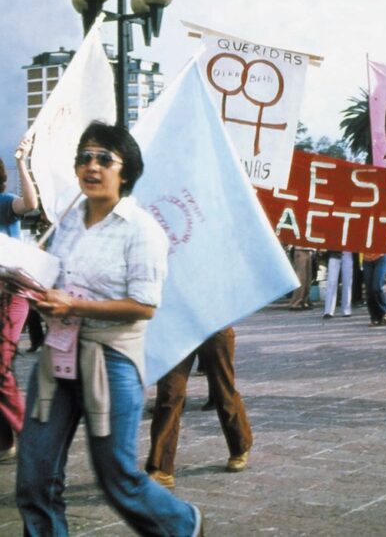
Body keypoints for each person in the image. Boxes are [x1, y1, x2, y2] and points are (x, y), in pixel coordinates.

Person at [16, 122, 202, 535]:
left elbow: (145, 306)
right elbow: (54, 281)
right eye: (84, 157)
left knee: (117, 478)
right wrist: (30, 284)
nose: (91, 166)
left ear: (127, 171)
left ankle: (182, 524)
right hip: (58, 354)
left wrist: (74, 304)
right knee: (34, 476)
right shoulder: (65, 218)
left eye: (104, 158)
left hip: (111, 358)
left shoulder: (142, 229)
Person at [145, 327, 253, 488]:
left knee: (222, 390)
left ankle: (240, 446)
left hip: (214, 325)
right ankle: (161, 468)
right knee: (169, 395)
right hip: (176, 330)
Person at [0, 141, 39, 462]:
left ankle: (30, 435)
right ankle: (5, 441)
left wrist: (22, 163)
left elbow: (29, 203)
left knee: (0, 368)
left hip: (12, 294)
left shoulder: (3, 203)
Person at [322, 250, 353, 319]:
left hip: (348, 251)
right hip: (334, 252)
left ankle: (346, 309)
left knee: (347, 281)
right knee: (331, 282)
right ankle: (328, 311)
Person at [362, 253, 386, 326]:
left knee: (376, 287)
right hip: (366, 259)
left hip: (381, 257)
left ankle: (384, 311)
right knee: (369, 290)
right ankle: (374, 317)